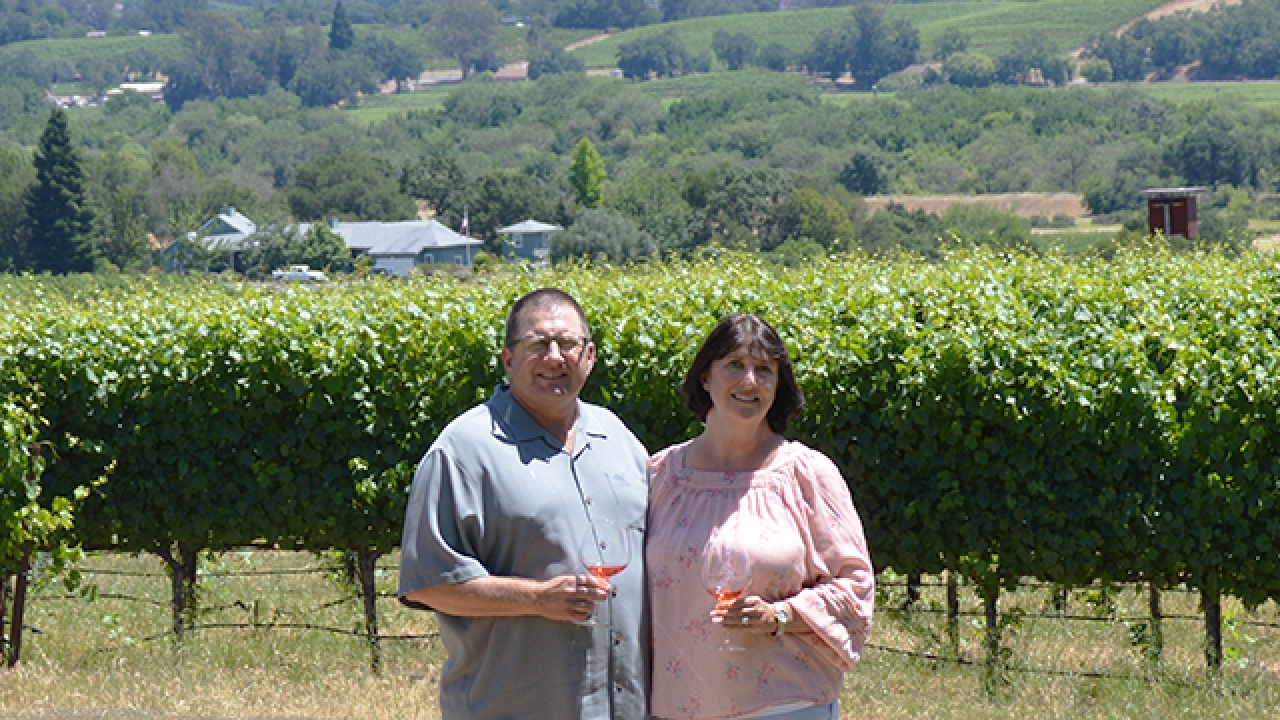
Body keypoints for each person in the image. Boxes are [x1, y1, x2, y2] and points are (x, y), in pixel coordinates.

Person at [398, 288, 649, 720]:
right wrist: (537, 599)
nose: (555, 357)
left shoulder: (618, 438)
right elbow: (428, 583)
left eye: (568, 344)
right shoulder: (463, 451)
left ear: (588, 356)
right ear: (508, 359)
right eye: (537, 345)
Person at [646, 313, 875, 720]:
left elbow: (856, 586)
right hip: (676, 707)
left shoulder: (806, 474)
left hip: (784, 706)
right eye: (734, 365)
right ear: (705, 377)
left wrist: (781, 616)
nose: (749, 381)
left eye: (764, 370)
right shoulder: (660, 476)